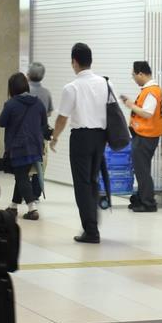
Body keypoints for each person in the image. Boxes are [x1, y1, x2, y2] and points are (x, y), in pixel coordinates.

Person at [50, 43, 122, 244]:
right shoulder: (106, 83)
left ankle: (90, 230)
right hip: (100, 138)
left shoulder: (71, 87)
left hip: (80, 138)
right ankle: (93, 221)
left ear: (74, 61)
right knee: (92, 180)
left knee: (82, 184)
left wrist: (54, 137)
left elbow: (62, 118)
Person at [0, 72, 46, 220]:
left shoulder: (11, 104)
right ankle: (13, 206)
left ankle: (32, 208)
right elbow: (43, 123)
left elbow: (1, 122)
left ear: (11, 88)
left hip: (18, 147)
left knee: (21, 177)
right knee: (22, 176)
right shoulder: (38, 103)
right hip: (35, 146)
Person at [120, 61, 162, 213]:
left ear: (141, 74)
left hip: (146, 135)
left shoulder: (151, 91)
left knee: (142, 170)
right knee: (142, 169)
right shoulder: (149, 90)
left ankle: (148, 203)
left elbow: (147, 112)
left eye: (133, 75)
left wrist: (131, 105)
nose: (133, 78)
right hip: (144, 134)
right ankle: (141, 198)